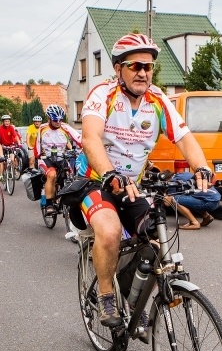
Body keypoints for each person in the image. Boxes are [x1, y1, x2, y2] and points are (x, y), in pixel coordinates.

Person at [75, 33, 213, 331]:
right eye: (135, 65)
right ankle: (106, 294)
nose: (143, 73)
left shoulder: (158, 101)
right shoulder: (103, 94)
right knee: (110, 232)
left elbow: (186, 138)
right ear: (118, 69)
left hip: (132, 187)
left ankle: (133, 297)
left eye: (148, 67)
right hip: (96, 182)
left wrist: (201, 167)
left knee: (155, 239)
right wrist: (110, 172)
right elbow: (90, 138)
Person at [35, 105, 81, 215]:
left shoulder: (65, 127)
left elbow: (79, 138)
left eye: (61, 119)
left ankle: (68, 197)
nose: (58, 122)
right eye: (55, 120)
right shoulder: (42, 128)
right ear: (49, 119)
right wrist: (39, 155)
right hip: (47, 158)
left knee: (72, 174)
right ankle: (49, 204)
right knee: (51, 175)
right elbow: (36, 145)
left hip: (61, 157)